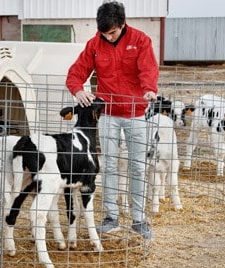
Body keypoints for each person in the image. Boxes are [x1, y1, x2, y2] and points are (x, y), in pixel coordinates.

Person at [65, 1, 159, 239]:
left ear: (122, 23)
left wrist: (149, 88)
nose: (108, 37)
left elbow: (148, 69)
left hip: (136, 112)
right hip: (107, 114)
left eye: (112, 33)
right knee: (107, 165)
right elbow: (76, 72)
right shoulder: (95, 44)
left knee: (137, 166)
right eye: (104, 33)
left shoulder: (140, 40)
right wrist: (78, 90)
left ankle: (139, 219)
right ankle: (111, 217)